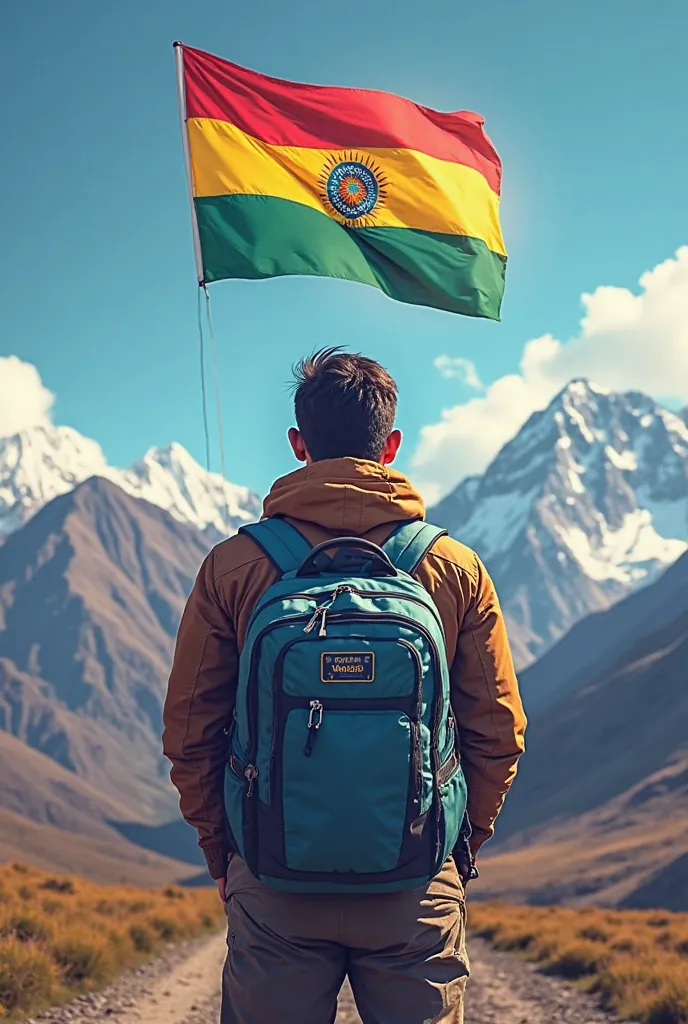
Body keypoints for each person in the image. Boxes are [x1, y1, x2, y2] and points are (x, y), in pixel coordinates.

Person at [163, 347, 526, 1024]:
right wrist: (459, 842)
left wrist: (224, 850)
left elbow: (189, 732)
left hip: (273, 880)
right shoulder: (453, 568)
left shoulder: (235, 566)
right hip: (416, 880)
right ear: (390, 446)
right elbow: (498, 732)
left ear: (299, 445)